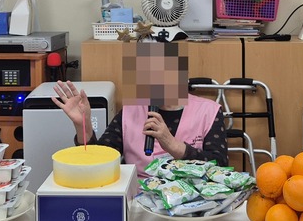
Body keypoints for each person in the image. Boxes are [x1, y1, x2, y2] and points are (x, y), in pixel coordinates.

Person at [52, 42, 227, 177]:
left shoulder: (208, 112)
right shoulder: (129, 112)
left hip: (194, 197)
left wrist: (174, 146)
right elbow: (99, 162)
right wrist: (84, 126)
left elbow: (220, 166)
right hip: (140, 197)